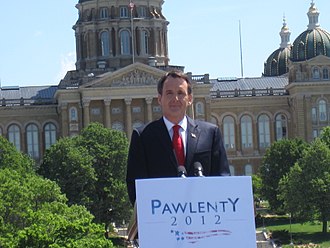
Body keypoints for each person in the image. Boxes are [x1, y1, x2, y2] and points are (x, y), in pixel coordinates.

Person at [126, 70, 230, 205]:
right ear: (159, 99)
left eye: (180, 93)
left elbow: (223, 180)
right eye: (169, 93)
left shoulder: (210, 133)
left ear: (190, 99)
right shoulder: (143, 137)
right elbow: (135, 187)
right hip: (161, 219)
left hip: (203, 218)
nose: (175, 99)